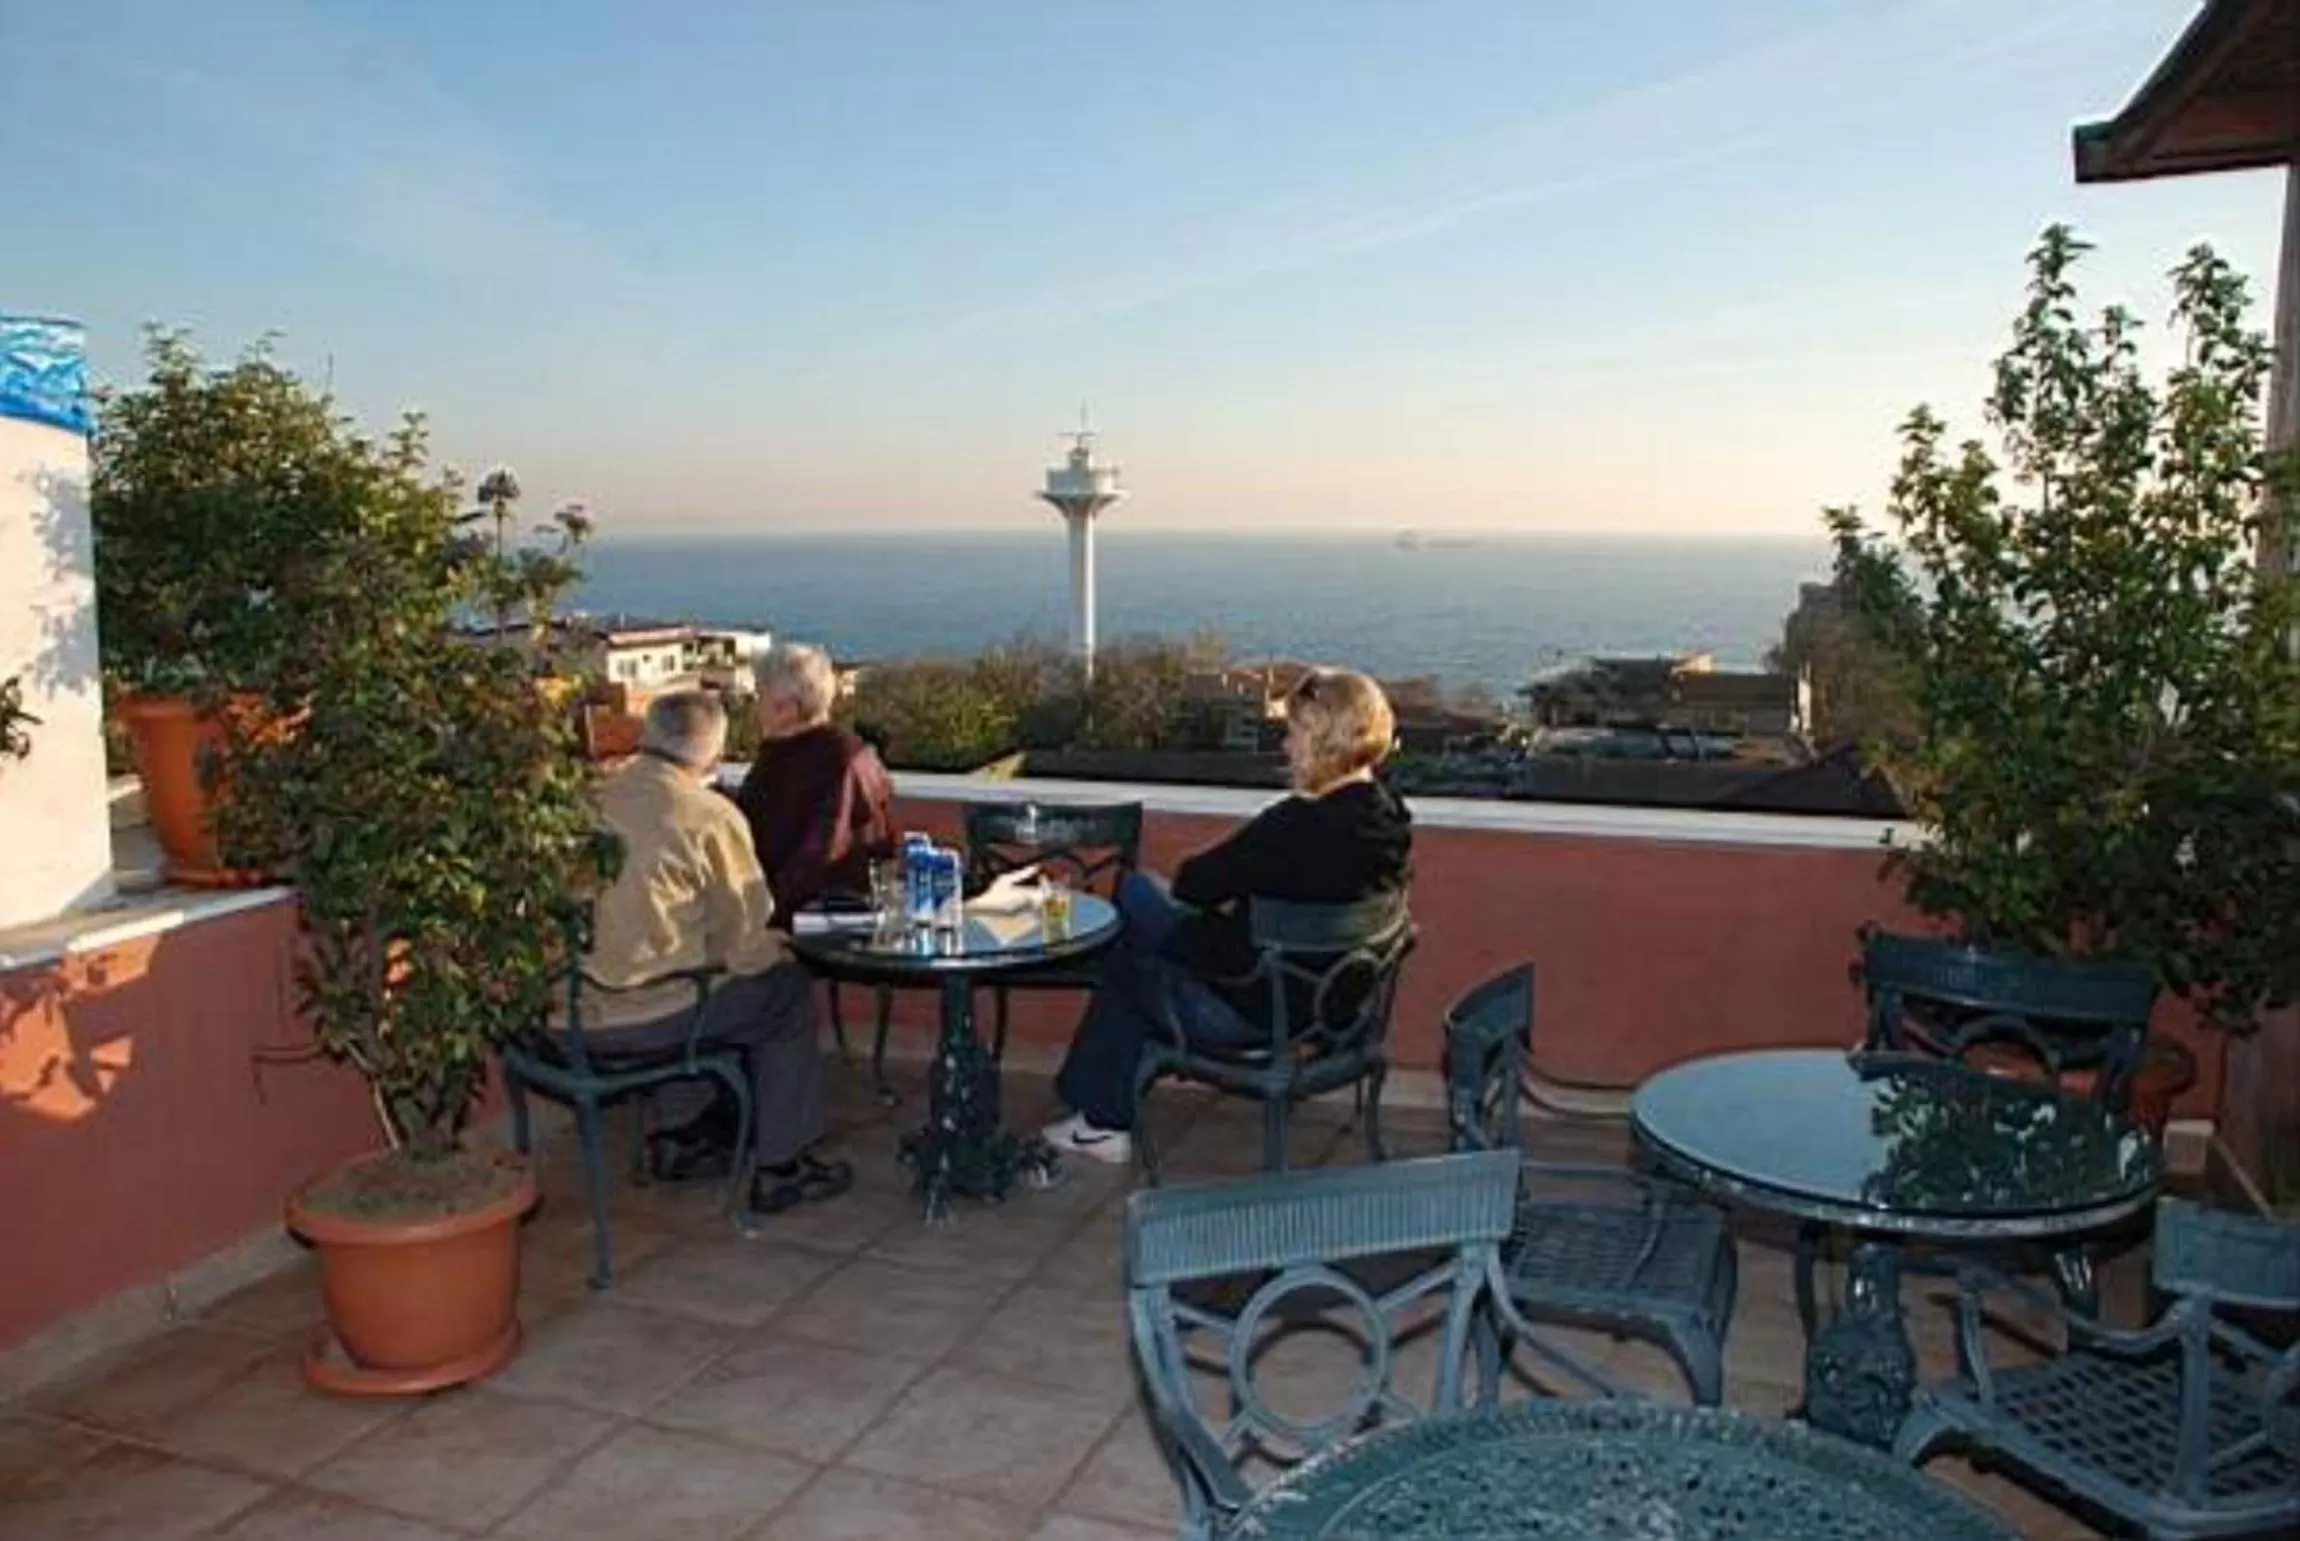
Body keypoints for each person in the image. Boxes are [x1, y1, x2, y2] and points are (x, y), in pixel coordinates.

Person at [1041, 667, 1412, 1164]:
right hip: (1329, 1009)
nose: (1286, 747)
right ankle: (1097, 1112)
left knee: (1134, 906)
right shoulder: (1390, 821)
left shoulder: (1294, 827)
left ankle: (1100, 1118)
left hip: (1246, 1012)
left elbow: (1195, 883)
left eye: (1294, 733)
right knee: (1139, 937)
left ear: (1325, 740)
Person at [581, 690, 852, 1212]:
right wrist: (782, 946)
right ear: (713, 750)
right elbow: (746, 940)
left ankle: (683, 1135)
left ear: (648, 736)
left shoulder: (589, 799)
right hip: (645, 1018)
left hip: (563, 1013)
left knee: (677, 963)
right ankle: (782, 1165)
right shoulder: (705, 816)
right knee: (782, 992)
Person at [732, 642, 897, 920]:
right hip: (825, 913)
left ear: (788, 708)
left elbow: (820, 851)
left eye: (759, 696)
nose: (754, 707)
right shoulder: (840, 752)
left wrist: (765, 913)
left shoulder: (830, 761)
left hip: (817, 921)